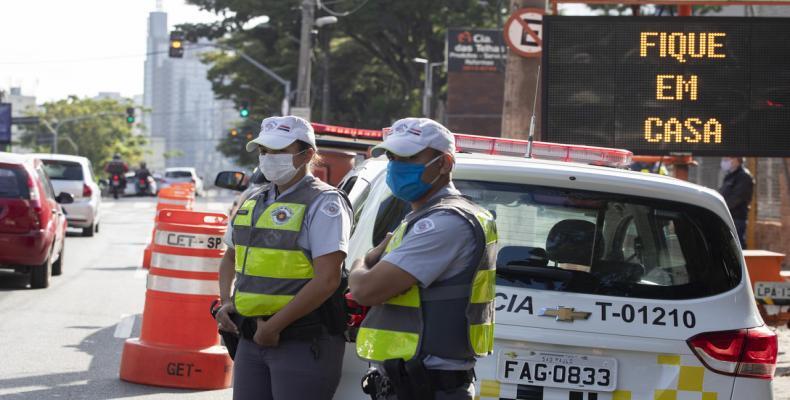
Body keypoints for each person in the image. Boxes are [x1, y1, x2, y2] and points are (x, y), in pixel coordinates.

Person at [348, 118, 498, 400]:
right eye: (392, 156)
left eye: (408, 157)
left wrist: (361, 263)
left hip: (428, 386)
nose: (396, 165)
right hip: (408, 382)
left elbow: (364, 290)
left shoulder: (444, 223)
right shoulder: (423, 216)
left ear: (445, 163)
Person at [213, 115, 351, 400]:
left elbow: (327, 279)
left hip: (301, 340)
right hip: (252, 337)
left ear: (307, 155)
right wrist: (227, 302)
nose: (268, 158)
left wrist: (274, 326)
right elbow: (230, 256)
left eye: (278, 151)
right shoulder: (253, 200)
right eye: (264, 151)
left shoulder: (325, 202)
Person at [718, 156, 754, 249]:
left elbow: (737, 198)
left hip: (736, 218)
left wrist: (721, 208)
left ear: (737, 160)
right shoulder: (729, 176)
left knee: (736, 246)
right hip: (726, 216)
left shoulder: (744, 176)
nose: (724, 162)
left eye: (727, 159)